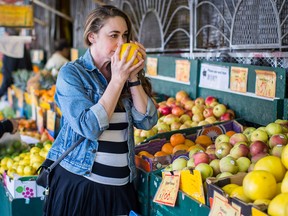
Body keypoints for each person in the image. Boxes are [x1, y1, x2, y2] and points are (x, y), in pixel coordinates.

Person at [44, 5, 158, 216]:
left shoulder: (124, 74)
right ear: (92, 37)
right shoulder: (72, 74)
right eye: (113, 35)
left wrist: (133, 77)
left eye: (125, 35)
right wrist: (118, 79)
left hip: (121, 189)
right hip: (81, 186)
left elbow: (147, 121)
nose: (122, 43)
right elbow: (89, 127)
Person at [0, 28, 33, 98]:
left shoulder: (11, 48)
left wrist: (0, 92)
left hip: (19, 90)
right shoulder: (20, 44)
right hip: (25, 88)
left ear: (7, 35)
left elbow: (8, 76)